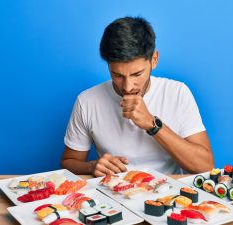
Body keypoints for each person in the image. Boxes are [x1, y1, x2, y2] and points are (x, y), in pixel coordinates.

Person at [61, 16, 214, 177]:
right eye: (117, 75)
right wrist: (92, 167)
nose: (127, 87)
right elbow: (69, 161)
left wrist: (152, 124)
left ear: (154, 60)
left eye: (137, 74)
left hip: (167, 195)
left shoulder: (177, 93)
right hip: (111, 193)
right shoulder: (87, 101)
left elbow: (205, 165)